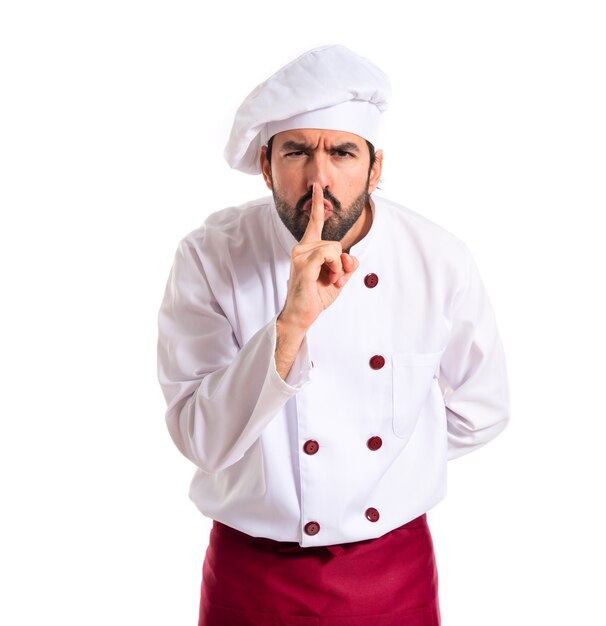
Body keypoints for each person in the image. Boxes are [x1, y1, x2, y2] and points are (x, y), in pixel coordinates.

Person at [157, 44, 510, 626]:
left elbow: (482, 410)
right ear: (267, 165)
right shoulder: (209, 258)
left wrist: (386, 471)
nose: (319, 179)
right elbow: (201, 439)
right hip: (252, 573)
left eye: (342, 152)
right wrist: (290, 324)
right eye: (297, 151)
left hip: (391, 572)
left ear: (375, 167)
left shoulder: (438, 260)